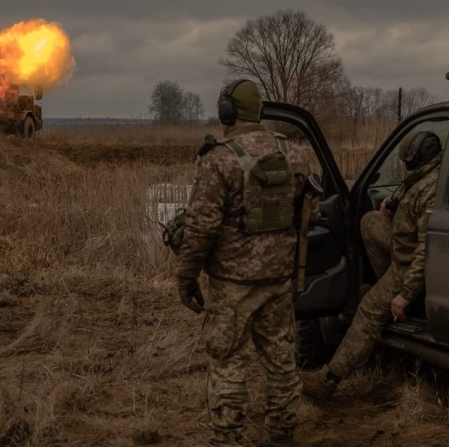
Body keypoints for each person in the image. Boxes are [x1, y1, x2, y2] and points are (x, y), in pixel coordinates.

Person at [175, 79, 314, 447]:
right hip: (278, 279)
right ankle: (283, 434)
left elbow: (201, 228)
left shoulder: (218, 158)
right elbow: (303, 214)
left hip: (233, 283)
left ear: (227, 112)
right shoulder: (294, 154)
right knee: (280, 358)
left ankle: (228, 439)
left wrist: (185, 277)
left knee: (228, 362)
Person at [300, 131, 442, 400]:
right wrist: (392, 204)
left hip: (410, 264)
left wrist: (405, 293)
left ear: (413, 159)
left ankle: (328, 380)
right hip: (404, 246)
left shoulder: (431, 192)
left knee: (367, 310)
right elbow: (408, 197)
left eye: (402, 159)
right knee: (369, 221)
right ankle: (384, 287)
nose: (400, 163)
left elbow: (427, 250)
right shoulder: (424, 176)